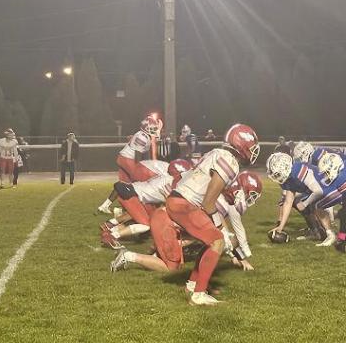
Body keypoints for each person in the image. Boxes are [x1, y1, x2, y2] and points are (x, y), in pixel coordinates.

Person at [113, 123, 260, 306]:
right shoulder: (229, 162)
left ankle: (192, 286)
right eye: (252, 146)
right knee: (217, 240)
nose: (254, 151)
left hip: (179, 200)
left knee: (211, 240)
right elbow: (208, 202)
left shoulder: (217, 153)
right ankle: (198, 295)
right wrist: (219, 225)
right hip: (185, 203)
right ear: (240, 144)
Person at [97, 113, 163, 214]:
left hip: (124, 158)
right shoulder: (143, 137)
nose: (155, 129)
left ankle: (104, 206)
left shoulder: (143, 135)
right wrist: (140, 170)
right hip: (129, 160)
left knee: (124, 184)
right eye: (153, 128)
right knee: (147, 183)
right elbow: (138, 155)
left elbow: (153, 140)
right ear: (148, 128)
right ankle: (145, 208)